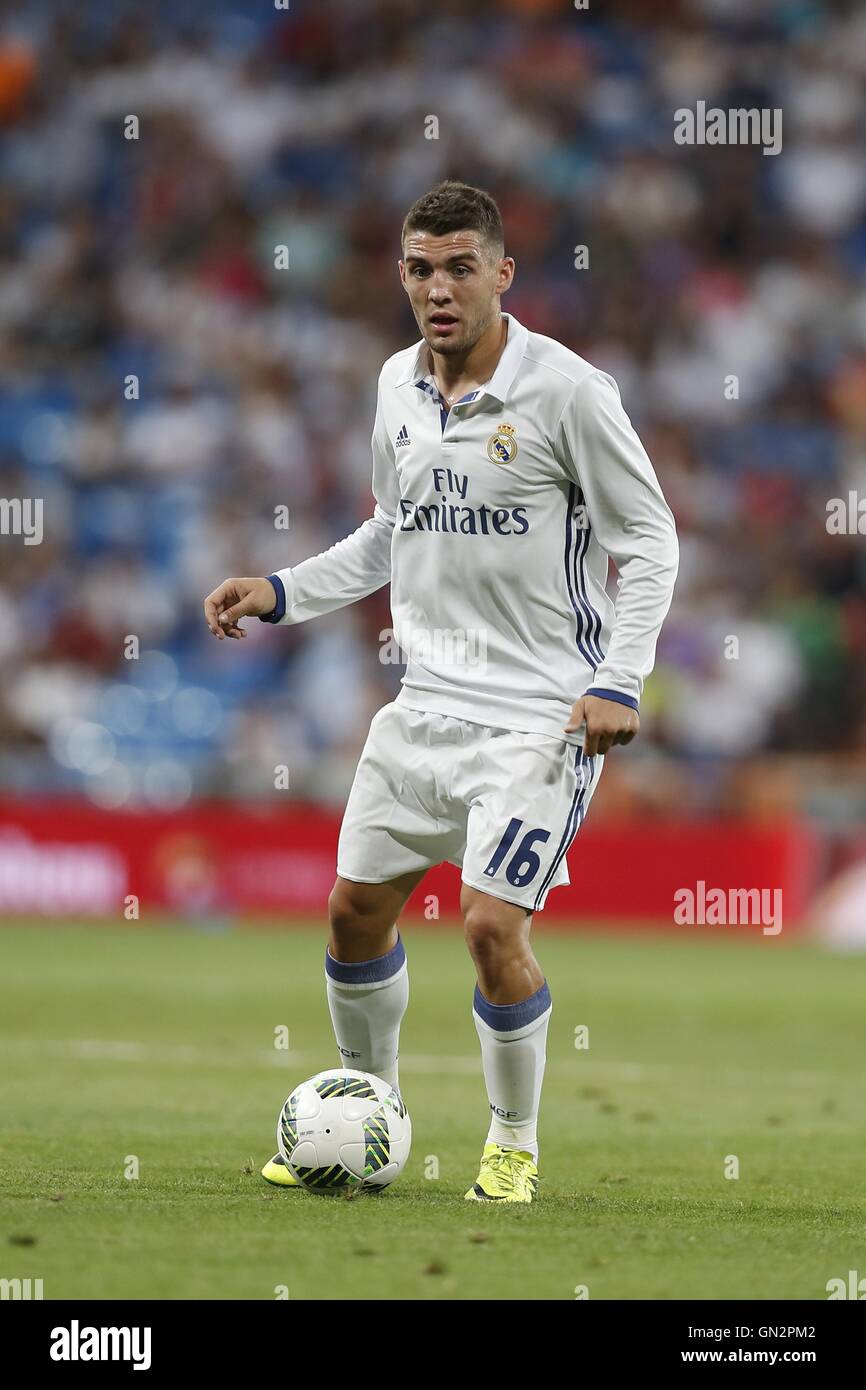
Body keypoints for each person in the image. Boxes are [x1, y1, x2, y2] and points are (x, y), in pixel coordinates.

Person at [204, 180, 679, 1202]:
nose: (438, 287)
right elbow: (390, 530)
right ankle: (369, 1115)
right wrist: (282, 591)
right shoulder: (393, 387)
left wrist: (617, 679)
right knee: (351, 913)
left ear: (502, 274)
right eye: (420, 268)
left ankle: (511, 1140)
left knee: (486, 927)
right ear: (401, 276)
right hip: (418, 707)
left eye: (460, 266)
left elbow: (649, 544)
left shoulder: (569, 393)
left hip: (537, 720)